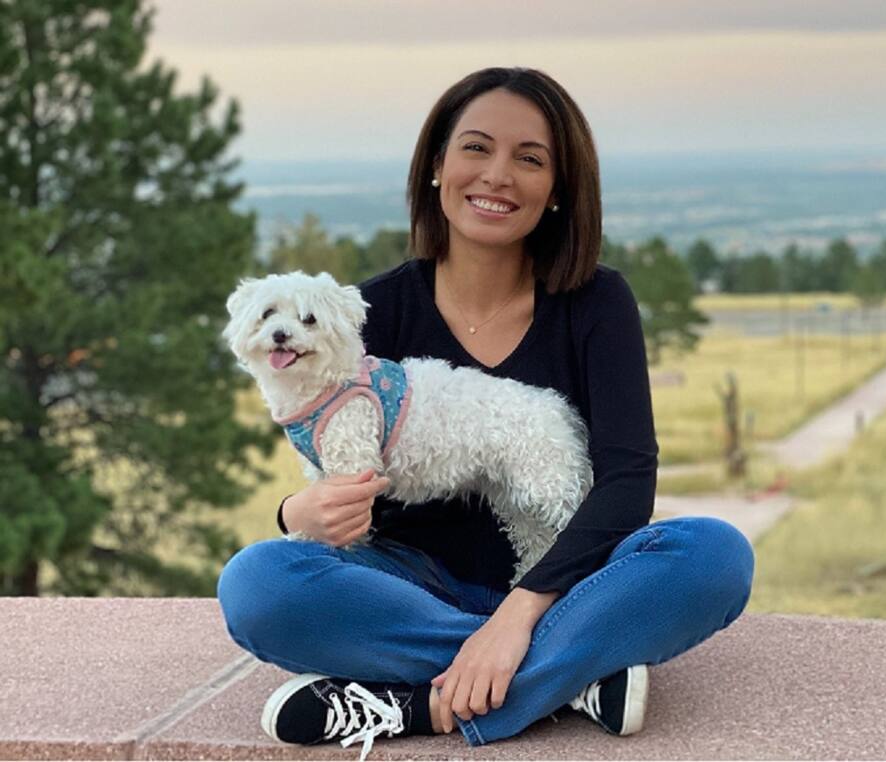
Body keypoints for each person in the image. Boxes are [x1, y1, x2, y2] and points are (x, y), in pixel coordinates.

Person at [217, 67, 754, 759]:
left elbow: (627, 482)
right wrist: (297, 514)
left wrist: (519, 612)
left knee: (714, 555)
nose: (497, 175)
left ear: (557, 190)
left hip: (568, 580)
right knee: (258, 584)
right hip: (409, 586)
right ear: (437, 166)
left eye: (529, 159)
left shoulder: (598, 303)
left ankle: (408, 703)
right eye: (476, 148)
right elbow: (324, 464)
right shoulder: (366, 316)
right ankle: (574, 675)